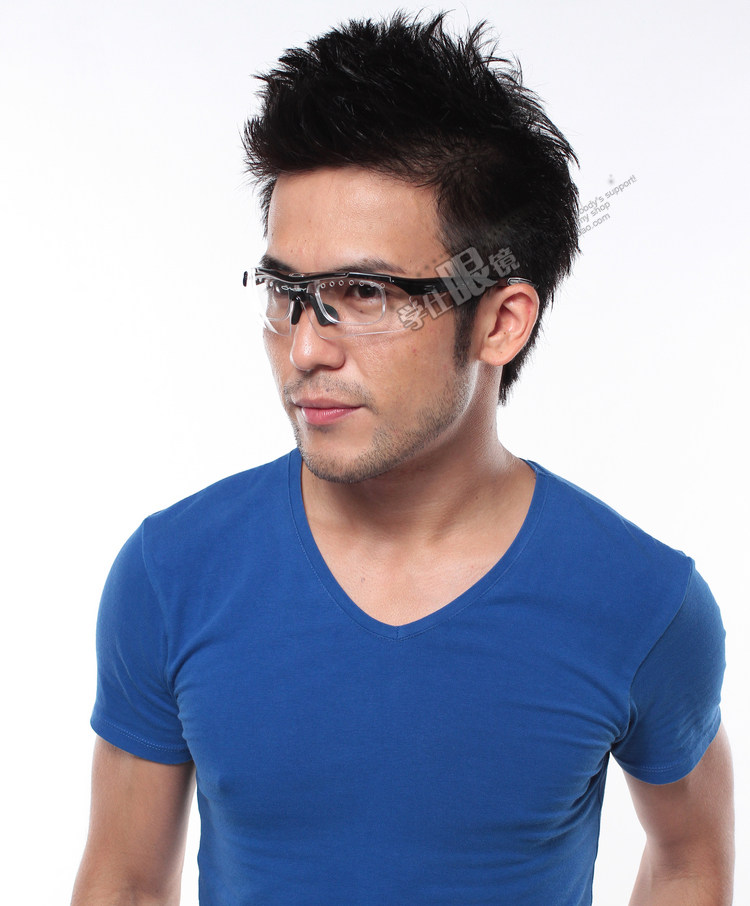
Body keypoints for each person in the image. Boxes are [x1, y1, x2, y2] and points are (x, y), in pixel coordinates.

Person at [71, 12, 734, 906]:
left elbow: (691, 859)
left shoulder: (644, 603)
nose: (305, 347)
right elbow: (122, 882)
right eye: (287, 291)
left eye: (364, 293)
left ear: (500, 322)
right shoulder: (172, 573)